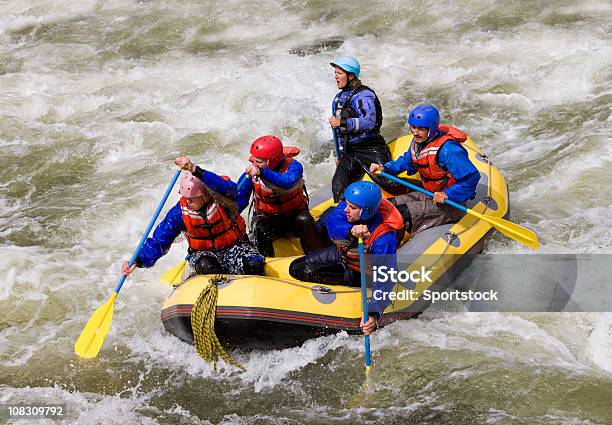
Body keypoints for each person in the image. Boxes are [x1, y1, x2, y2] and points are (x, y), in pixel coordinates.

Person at [289, 181, 404, 335]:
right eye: (347, 204)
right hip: (342, 256)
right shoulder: (346, 208)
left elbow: (385, 279)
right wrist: (350, 232)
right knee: (296, 267)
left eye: (353, 208)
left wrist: (373, 313)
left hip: (360, 273)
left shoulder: (383, 237)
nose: (346, 210)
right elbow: (334, 224)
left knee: (309, 271)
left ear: (366, 211)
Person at [121, 156, 265, 278]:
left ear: (205, 195)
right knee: (206, 266)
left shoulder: (224, 202)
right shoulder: (179, 213)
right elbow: (159, 240)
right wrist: (138, 260)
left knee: (254, 263)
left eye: (193, 198)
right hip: (203, 254)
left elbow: (228, 188)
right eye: (186, 197)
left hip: (235, 247)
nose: (188, 201)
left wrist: (194, 169)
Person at [370, 104, 481, 235]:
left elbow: (472, 177)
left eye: (421, 129)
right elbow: (407, 160)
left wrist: (447, 194)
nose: (415, 132)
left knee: (401, 213)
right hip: (429, 192)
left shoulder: (448, 150)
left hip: (451, 203)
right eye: (413, 127)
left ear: (432, 129)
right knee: (385, 205)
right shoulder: (419, 142)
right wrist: (385, 168)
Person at [236, 135, 324, 257]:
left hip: (293, 216)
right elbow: (240, 199)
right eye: (254, 160)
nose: (254, 164)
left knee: (305, 220)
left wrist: (263, 172)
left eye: (259, 161)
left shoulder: (294, 166)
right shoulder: (253, 172)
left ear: (273, 160)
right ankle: (266, 262)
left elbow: (287, 182)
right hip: (269, 219)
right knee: (259, 226)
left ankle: (316, 257)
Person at [328, 55, 392, 202]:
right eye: (335, 73)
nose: (336, 77)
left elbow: (369, 122)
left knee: (389, 183)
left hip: (370, 147)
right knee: (338, 185)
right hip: (351, 150)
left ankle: (423, 192)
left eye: (339, 73)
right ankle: (346, 215)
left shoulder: (364, 95)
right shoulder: (339, 98)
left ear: (350, 76)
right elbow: (339, 131)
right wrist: (341, 155)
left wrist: (343, 122)